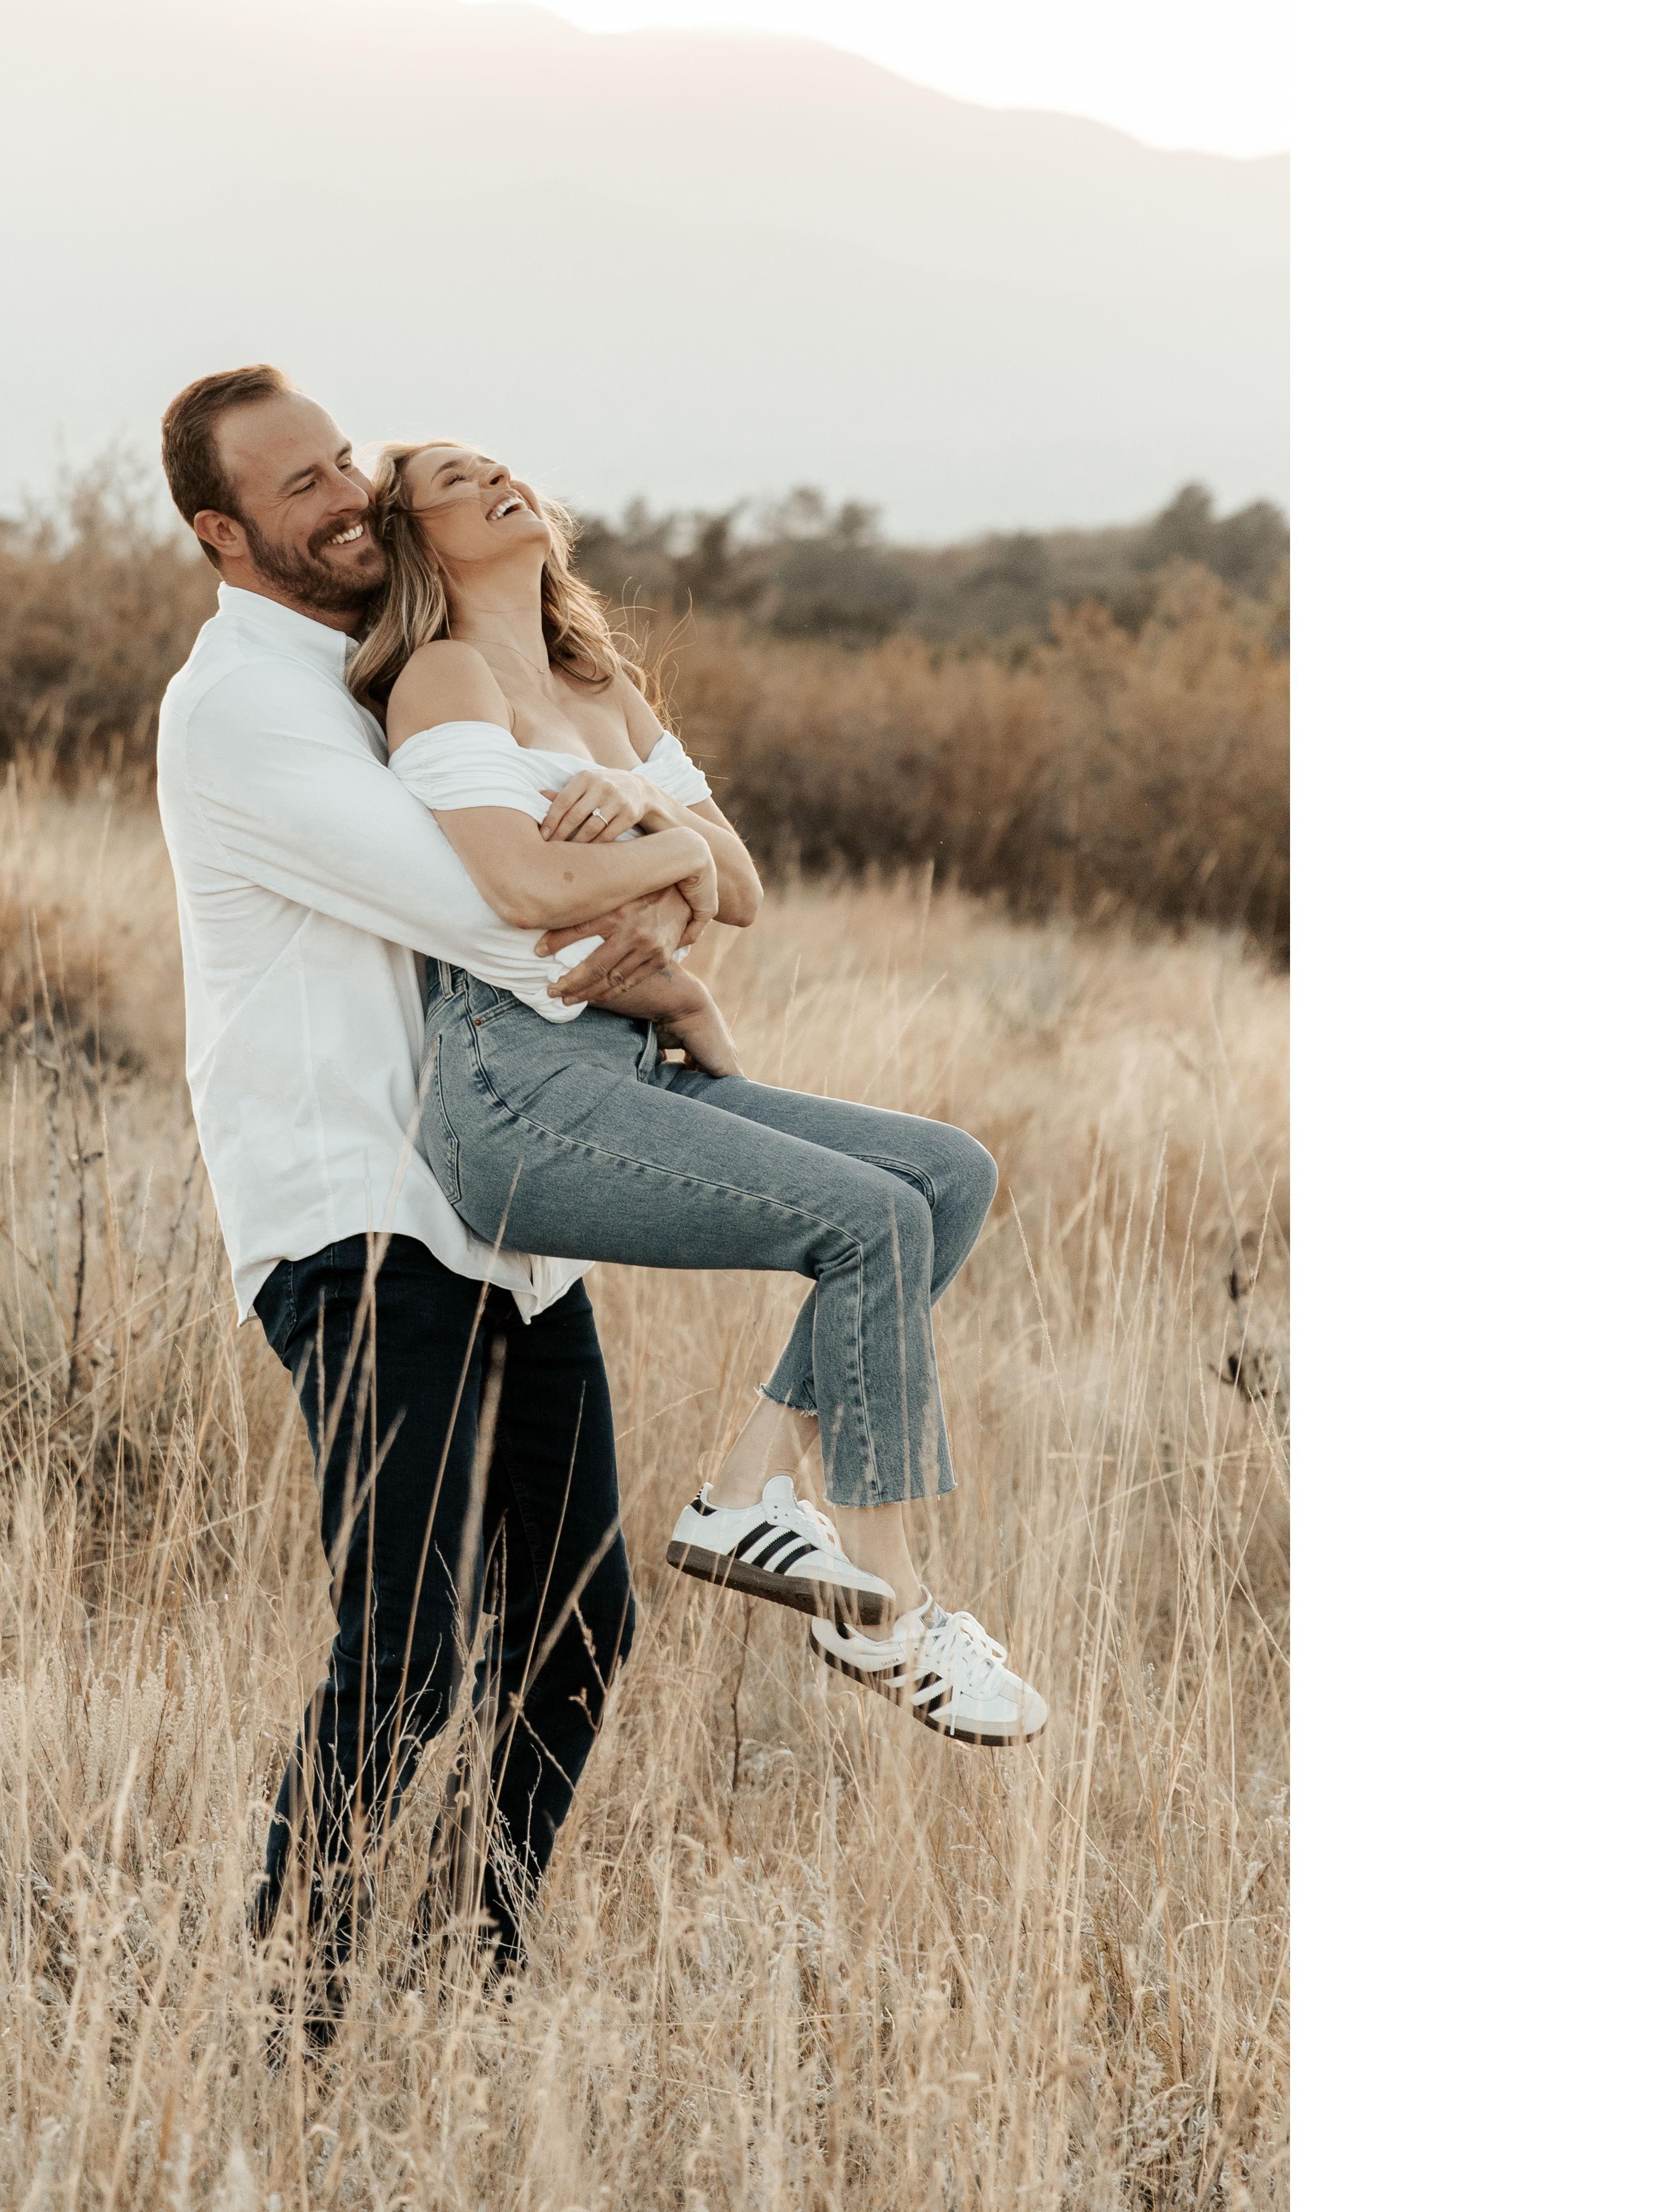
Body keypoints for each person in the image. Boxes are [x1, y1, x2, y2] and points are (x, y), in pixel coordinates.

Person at [351, 440, 1048, 1750]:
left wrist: (643, 818)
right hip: (509, 1088)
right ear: (417, 540)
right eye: (451, 479)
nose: (494, 477)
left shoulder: (595, 684)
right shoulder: (443, 677)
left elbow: (743, 887)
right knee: (871, 1221)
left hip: (620, 1059)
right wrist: (666, 850)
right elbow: (525, 887)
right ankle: (888, 1610)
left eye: (495, 462)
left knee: (945, 1174)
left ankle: (745, 1491)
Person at [151, 366, 696, 2011]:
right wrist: (673, 858)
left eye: (343, 461)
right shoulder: (247, 709)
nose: (348, 499)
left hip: (505, 1220)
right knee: (408, 1646)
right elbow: (517, 921)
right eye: (299, 486)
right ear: (220, 533)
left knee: (577, 1628)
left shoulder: (394, 675)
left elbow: (598, 891)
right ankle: (290, 2010)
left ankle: (474, 1968)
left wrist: (636, 842)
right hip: (362, 1219)